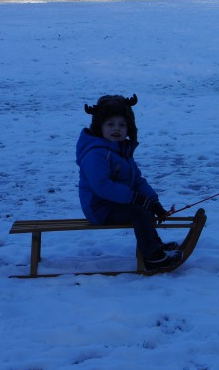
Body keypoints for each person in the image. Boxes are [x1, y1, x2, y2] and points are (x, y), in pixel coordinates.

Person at [77, 94, 181, 271]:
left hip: (115, 203)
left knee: (144, 207)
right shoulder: (96, 154)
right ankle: (153, 258)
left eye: (122, 125)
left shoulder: (121, 151)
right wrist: (134, 198)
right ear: (99, 127)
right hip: (99, 207)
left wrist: (153, 201)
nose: (116, 129)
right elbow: (101, 185)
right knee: (138, 211)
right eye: (110, 124)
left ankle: (154, 246)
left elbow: (137, 181)